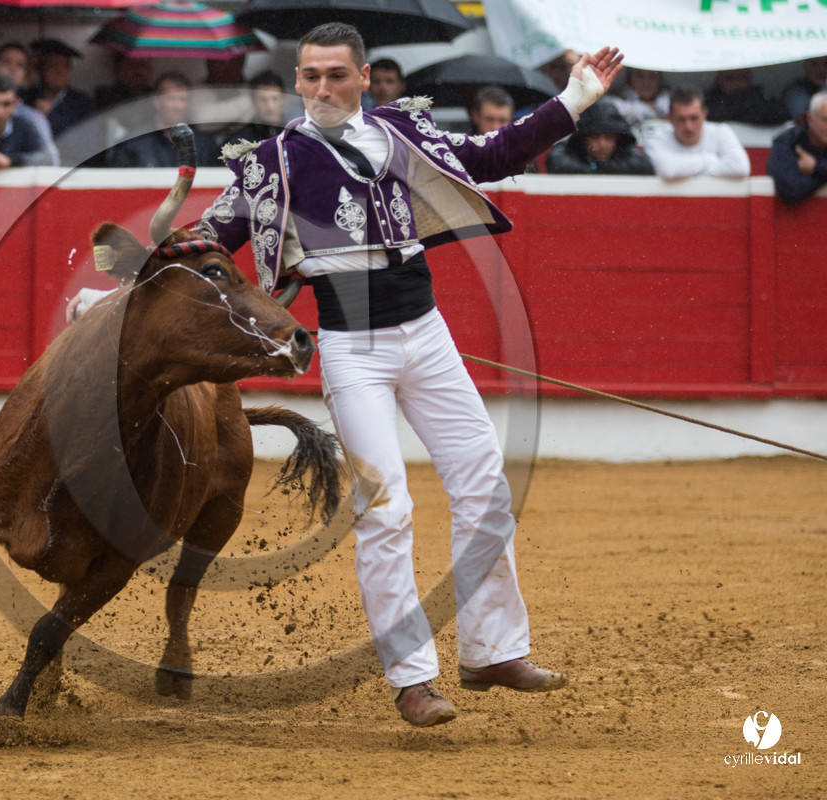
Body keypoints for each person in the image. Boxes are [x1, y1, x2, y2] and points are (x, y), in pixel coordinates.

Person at [188, 23, 621, 727]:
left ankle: (493, 650)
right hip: (353, 352)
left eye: (335, 75)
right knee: (385, 511)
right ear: (297, 82)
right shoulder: (272, 165)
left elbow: (497, 152)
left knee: (483, 483)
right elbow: (207, 243)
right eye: (309, 76)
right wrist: (137, 268)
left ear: (364, 77)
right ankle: (413, 677)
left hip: (428, 337)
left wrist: (576, 95)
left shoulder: (403, 136)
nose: (321, 89)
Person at [105, 72, 220, 168]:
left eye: (183, 100)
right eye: (171, 99)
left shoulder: (204, 144)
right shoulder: (133, 142)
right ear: (156, 102)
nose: (177, 106)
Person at [642, 86, 749, 180]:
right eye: (681, 119)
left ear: (705, 114)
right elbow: (667, 170)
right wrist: (709, 160)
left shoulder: (721, 131)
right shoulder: (656, 137)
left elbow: (740, 167)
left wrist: (685, 170)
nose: (689, 127)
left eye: (694, 118)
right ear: (669, 118)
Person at [22, 38, 96, 164]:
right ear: (39, 69)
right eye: (52, 65)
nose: (59, 71)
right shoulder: (27, 98)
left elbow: (86, 145)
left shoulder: (82, 102)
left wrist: (50, 115)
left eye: (65, 65)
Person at [546, 101, 654, 175]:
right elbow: (556, 161)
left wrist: (598, 167)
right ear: (583, 138)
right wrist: (598, 170)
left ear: (618, 138)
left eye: (609, 137)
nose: (602, 145)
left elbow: (642, 165)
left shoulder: (626, 151)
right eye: (594, 137)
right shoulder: (568, 152)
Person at [767, 90, 827, 206]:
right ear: (810, 119)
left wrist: (816, 167)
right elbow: (790, 191)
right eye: (825, 120)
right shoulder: (787, 141)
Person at [189, 54, 256, 140]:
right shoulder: (198, 90)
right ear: (208, 65)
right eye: (220, 63)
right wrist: (245, 104)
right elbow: (203, 120)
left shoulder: (251, 89)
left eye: (234, 62)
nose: (227, 69)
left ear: (242, 64)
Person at [222, 70, 288, 147]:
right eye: (263, 100)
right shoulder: (239, 141)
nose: (270, 106)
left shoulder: (296, 135)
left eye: (275, 99)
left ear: (283, 99)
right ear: (253, 101)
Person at [704, 68, 786, 126]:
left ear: (750, 79)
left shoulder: (760, 98)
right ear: (718, 80)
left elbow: (778, 115)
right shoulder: (708, 101)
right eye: (729, 78)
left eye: (742, 77)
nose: (736, 83)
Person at [609, 67, 670, 137]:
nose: (646, 82)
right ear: (630, 78)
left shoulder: (667, 99)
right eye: (640, 76)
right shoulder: (616, 99)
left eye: (652, 76)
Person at [781, 55, 827, 122]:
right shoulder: (794, 94)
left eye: (826, 63)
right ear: (805, 65)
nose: (820, 70)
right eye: (814, 63)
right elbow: (806, 123)